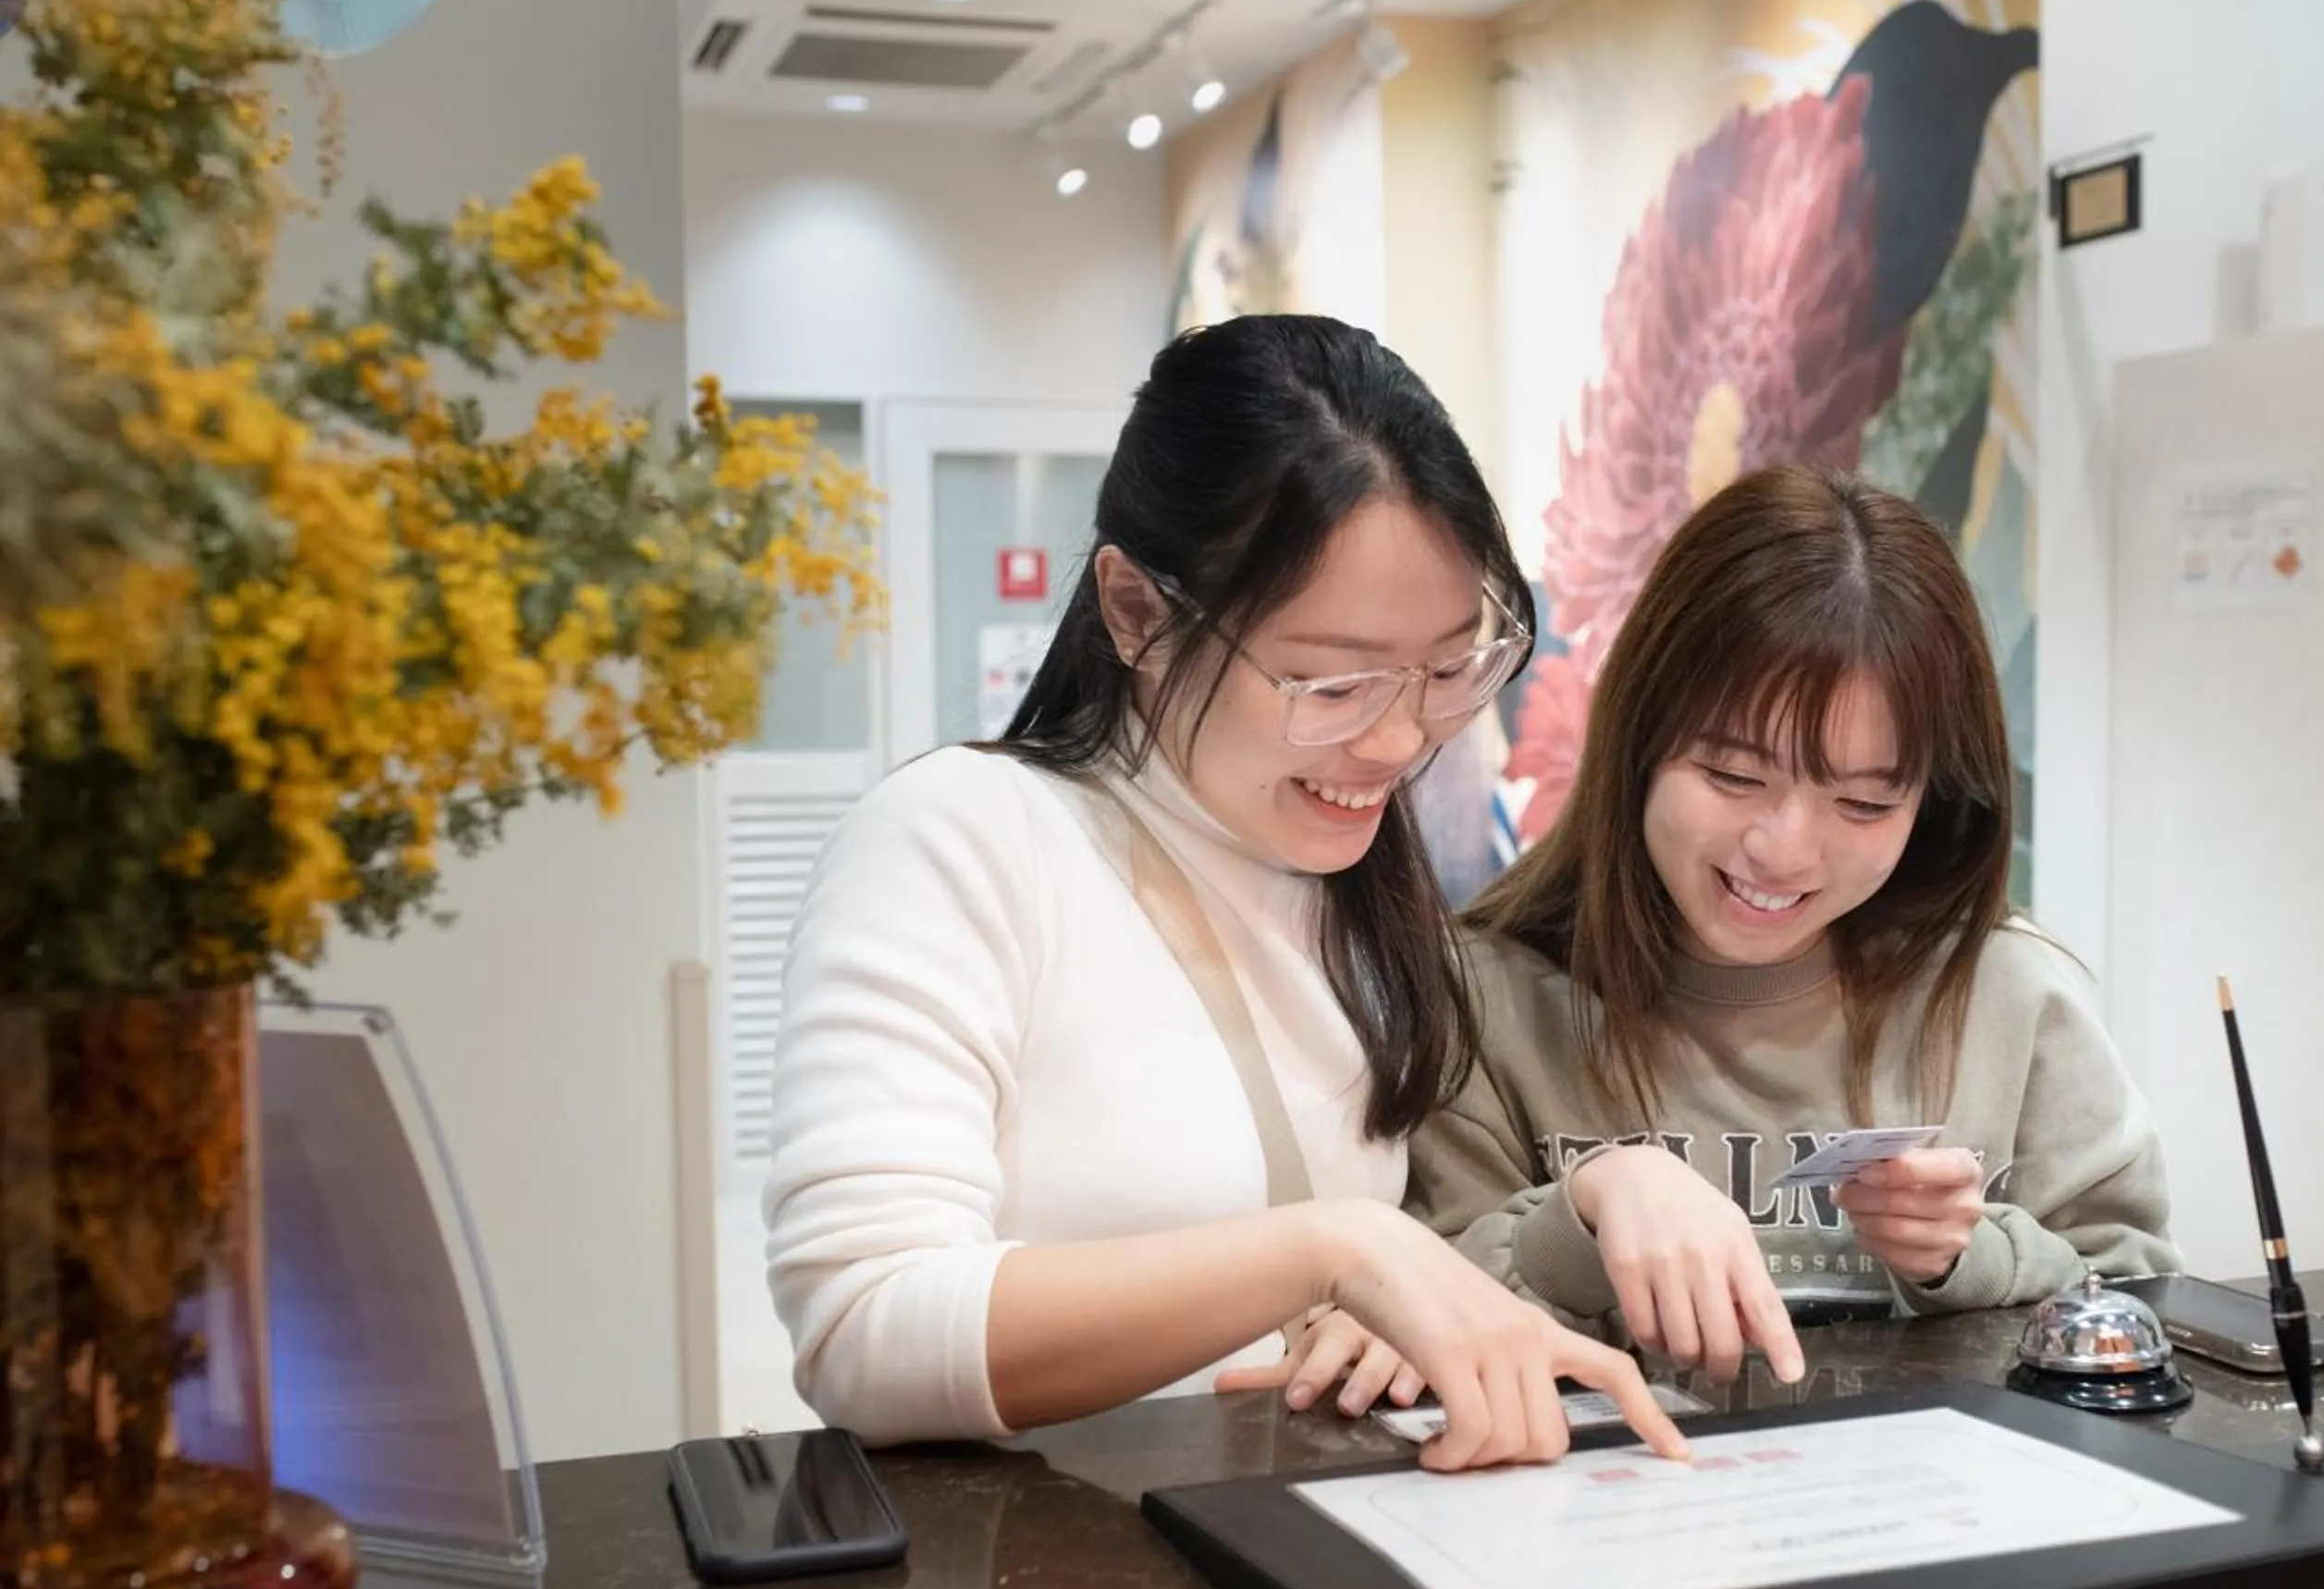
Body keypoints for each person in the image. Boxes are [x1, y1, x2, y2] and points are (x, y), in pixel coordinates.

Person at [764, 314, 1688, 1472]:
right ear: (1137, 614)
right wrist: (1335, 1253)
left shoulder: (1344, 870)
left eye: (1451, 667)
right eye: (1332, 683)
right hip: (1041, 1559)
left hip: (1297, 1532)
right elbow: (864, 1328)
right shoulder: (964, 838)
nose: (1400, 739)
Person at [1403, 463, 2182, 1385]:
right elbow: (1407, 1323)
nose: (1784, 851)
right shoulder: (1486, 997)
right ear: (1639, 741)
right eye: (1734, 777)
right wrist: (1582, 1213)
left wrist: (1972, 1256)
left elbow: (2139, 1303)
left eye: (1864, 803)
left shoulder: (2005, 994)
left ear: (1933, 799)